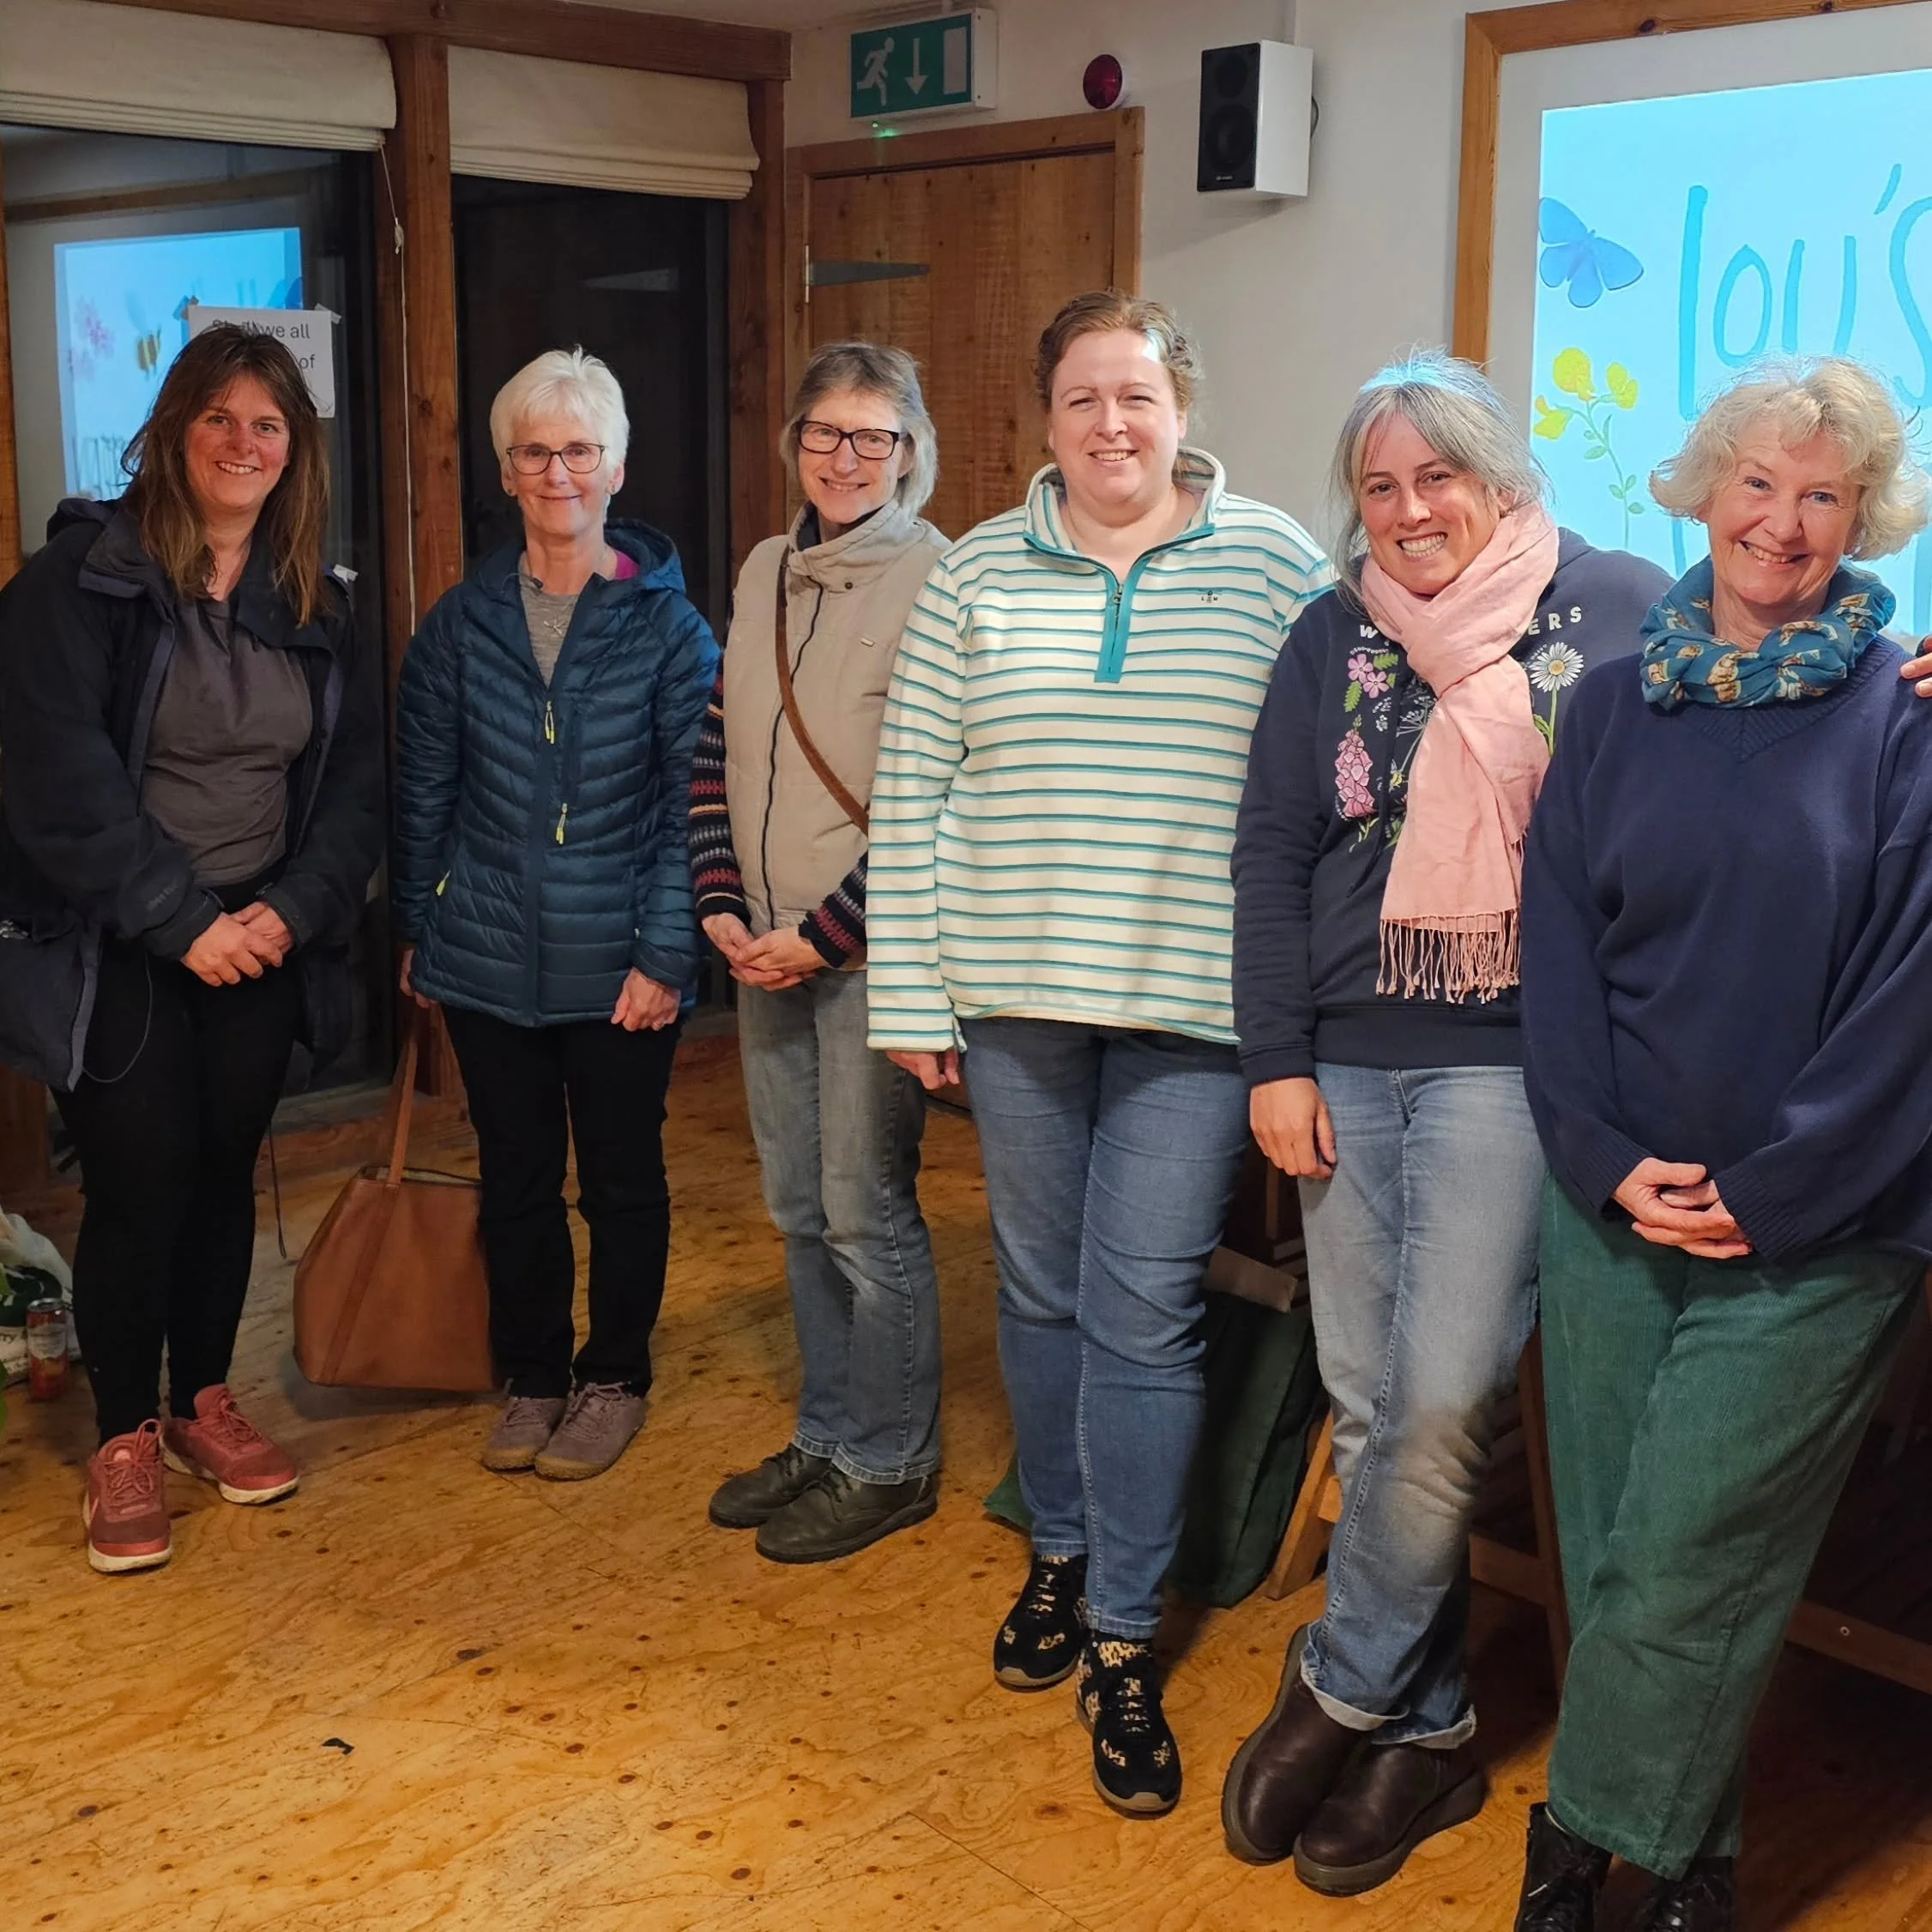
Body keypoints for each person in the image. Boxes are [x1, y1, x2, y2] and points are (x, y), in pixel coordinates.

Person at [866, 291, 1329, 1816]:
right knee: (1042, 1288)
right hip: (1014, 1003)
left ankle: (1125, 1634)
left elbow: (1341, 759)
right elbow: (915, 785)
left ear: (1182, 407)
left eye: (1137, 396)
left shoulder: (1271, 562)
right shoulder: (980, 570)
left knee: (1141, 1310)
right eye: (1082, 400)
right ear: (1043, 418)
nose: (1111, 426)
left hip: (1197, 1013)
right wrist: (916, 1004)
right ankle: (1058, 1552)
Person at [1221, 350, 1669, 1893]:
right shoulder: (1331, 630)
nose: (1411, 512)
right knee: (1364, 1392)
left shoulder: (1616, 602)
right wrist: (1272, 1058)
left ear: (1506, 478)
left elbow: (1750, 718)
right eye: (1381, 486)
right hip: (1339, 1058)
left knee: (1443, 1395)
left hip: (1509, 1061)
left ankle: (1340, 1682)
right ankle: (1430, 1724)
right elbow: (1271, 848)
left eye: (1440, 477)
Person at [1512, 359, 1932, 1932]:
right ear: (1704, 490)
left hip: (1819, 1222)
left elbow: (1913, 1000)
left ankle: (1571, 1846)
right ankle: (1693, 1861)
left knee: (1692, 1549)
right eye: (1758, 483)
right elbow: (1556, 950)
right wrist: (1605, 1154)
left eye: (1824, 494)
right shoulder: (1613, 705)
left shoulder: (1903, 718)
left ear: (1861, 520)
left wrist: (1773, 1193)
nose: (1785, 520)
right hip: (1614, 1192)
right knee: (1631, 1545)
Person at [0, 324, 383, 1574]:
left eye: (266, 424)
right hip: (121, 941)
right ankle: (122, 1435)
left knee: (226, 1172)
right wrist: (184, 921)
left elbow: (353, 788)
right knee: (140, 1183)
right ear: (169, 431)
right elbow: (60, 785)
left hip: (261, 936)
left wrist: (297, 908)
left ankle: (199, 1399)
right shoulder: (76, 587)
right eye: (216, 418)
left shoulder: (313, 604)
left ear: (294, 451)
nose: (241, 442)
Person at [392, 347, 717, 1483]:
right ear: (506, 468)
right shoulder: (462, 620)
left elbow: (698, 808)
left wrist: (669, 955)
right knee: (515, 1182)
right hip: (484, 957)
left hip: (624, 960)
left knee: (620, 1182)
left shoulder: (673, 633)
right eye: (535, 451)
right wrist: (419, 933)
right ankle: (533, 1373)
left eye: (578, 450)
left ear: (616, 466)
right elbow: (423, 785)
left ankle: (614, 1374)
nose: (557, 472)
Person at [688, 343, 949, 1563]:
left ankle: (893, 1460)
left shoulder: (942, 580)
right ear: (793, 441)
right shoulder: (762, 569)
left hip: (866, 957)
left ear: (910, 451)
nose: (845, 459)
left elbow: (934, 791)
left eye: (873, 438)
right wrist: (721, 905)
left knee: (864, 1212)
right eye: (824, 434)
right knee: (796, 1211)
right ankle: (830, 1431)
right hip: (761, 945)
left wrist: (822, 935)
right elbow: (719, 734)